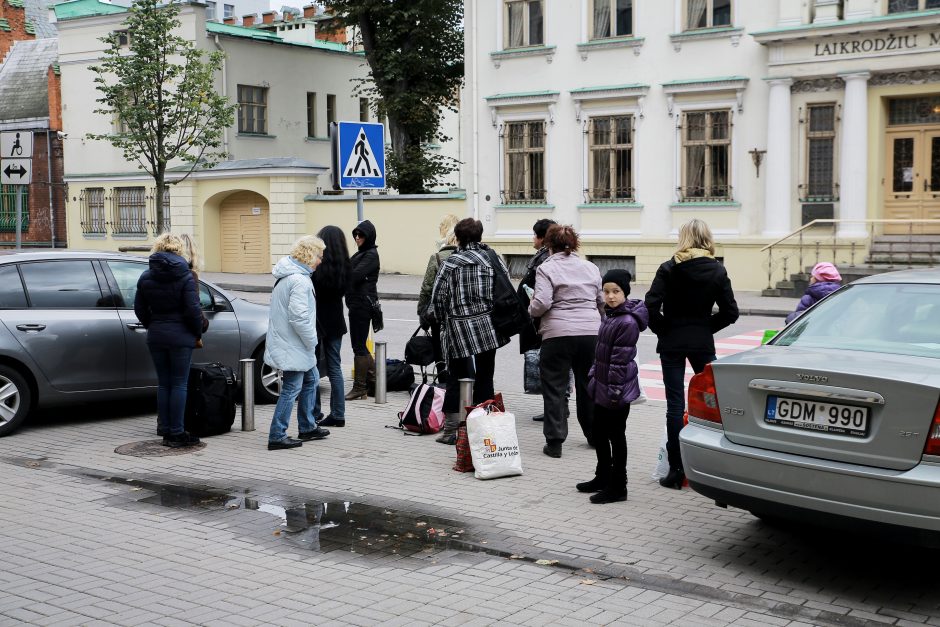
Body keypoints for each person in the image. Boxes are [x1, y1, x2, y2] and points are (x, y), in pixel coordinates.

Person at [645, 218, 738, 489]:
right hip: (702, 343)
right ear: (707, 238)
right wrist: (704, 328)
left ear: (683, 238)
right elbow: (731, 312)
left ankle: (676, 470)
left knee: (675, 406)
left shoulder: (668, 268)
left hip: (672, 343)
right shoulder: (717, 270)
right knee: (714, 402)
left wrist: (665, 330)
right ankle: (719, 465)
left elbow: (650, 306)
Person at [526, 224, 604, 459]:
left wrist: (531, 309)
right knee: (588, 386)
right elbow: (600, 301)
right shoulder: (590, 267)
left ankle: (555, 442)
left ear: (549, 244)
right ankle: (593, 435)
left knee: (555, 387)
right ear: (575, 243)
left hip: (558, 334)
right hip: (590, 333)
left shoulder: (546, 268)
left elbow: (541, 303)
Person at [431, 218, 511, 444]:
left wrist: (440, 318)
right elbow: (504, 288)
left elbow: (438, 298)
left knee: (456, 377)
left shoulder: (451, 262)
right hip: (488, 327)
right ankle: (483, 427)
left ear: (458, 237)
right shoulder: (492, 258)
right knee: (486, 376)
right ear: (480, 236)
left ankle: (451, 431)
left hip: (458, 328)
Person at [581, 270, 648, 504]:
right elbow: (601, 353)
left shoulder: (627, 322)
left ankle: (619, 486)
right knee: (599, 432)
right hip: (602, 386)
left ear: (625, 293)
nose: (610, 296)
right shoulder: (610, 316)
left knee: (616, 436)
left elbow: (620, 362)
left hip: (616, 391)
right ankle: (602, 476)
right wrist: (593, 377)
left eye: (616, 291)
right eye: (606, 291)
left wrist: (614, 392)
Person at [134, 233, 205, 448]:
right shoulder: (185, 276)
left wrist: (152, 325)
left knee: (164, 384)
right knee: (179, 384)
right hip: (180, 336)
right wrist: (197, 333)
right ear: (179, 250)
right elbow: (193, 311)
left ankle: (164, 427)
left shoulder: (146, 276)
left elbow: (139, 309)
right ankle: (176, 432)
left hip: (156, 335)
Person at [264, 235, 331, 450]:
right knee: (292, 387)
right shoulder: (299, 280)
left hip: (290, 343)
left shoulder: (289, 276)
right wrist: (312, 340)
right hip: (294, 345)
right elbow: (299, 317)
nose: (321, 261)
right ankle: (277, 434)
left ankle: (307, 426)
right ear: (310, 255)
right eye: (319, 256)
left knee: (311, 379)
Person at [517, 218, 556, 422]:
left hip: (540, 321)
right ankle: (554, 405)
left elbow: (540, 294)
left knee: (547, 365)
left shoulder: (544, 260)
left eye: (535, 234)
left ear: (542, 238)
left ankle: (555, 407)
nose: (532, 238)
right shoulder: (542, 257)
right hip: (538, 319)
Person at [313, 225, 351, 427]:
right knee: (335, 367)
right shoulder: (346, 264)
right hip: (336, 321)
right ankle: (338, 414)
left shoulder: (316, 265)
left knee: (314, 368)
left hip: (317, 321)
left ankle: (314, 411)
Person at [417, 214, 460, 375]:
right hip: (459, 312)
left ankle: (442, 377)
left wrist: (422, 312)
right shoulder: (465, 256)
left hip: (438, 313)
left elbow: (427, 288)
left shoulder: (437, 257)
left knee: (438, 346)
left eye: (441, 225)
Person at [345, 220, 380, 400]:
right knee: (359, 345)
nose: (357, 238)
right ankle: (374, 383)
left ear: (369, 236)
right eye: (356, 235)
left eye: (361, 235)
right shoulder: (361, 254)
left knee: (358, 346)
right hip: (356, 303)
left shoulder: (371, 255)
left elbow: (354, 275)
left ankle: (360, 387)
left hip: (362, 304)